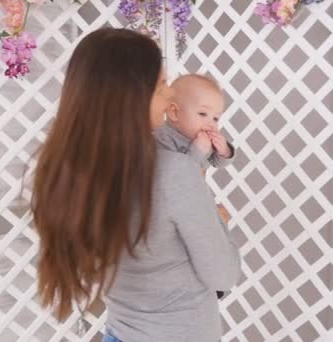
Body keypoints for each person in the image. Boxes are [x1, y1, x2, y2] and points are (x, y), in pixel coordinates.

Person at [31, 27, 241, 342]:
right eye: (161, 85)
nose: (171, 94)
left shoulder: (78, 172)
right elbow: (223, 274)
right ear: (131, 98)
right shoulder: (173, 171)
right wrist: (218, 220)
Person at [154, 73, 236, 300]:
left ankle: (219, 285)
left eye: (216, 118)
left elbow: (218, 162)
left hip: (198, 202)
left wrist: (224, 151)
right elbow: (176, 176)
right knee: (193, 245)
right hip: (178, 209)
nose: (210, 123)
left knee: (215, 237)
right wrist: (198, 151)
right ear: (174, 112)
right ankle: (212, 284)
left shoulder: (200, 137)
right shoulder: (162, 139)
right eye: (203, 114)